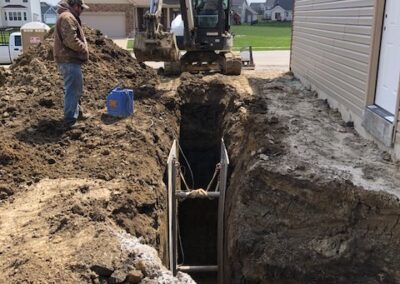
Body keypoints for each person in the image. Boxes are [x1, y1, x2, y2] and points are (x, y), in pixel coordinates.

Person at [54, 0, 89, 128]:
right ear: (75, 6)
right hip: (68, 60)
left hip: (70, 60)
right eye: (81, 8)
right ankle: (70, 120)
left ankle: (77, 113)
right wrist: (84, 48)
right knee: (73, 89)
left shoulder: (68, 16)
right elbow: (70, 40)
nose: (82, 11)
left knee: (76, 88)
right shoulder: (68, 17)